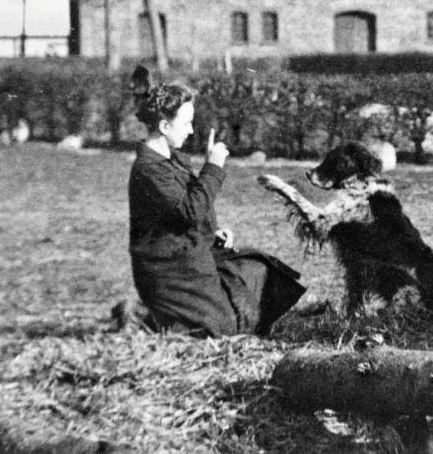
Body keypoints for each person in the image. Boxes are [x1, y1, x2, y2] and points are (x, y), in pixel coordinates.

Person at [127, 79, 305, 337]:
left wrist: (214, 233)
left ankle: (173, 315)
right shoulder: (149, 169)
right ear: (165, 126)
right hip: (168, 271)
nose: (190, 131)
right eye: (186, 123)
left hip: (188, 255)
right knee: (222, 328)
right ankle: (140, 315)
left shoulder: (170, 160)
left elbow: (182, 212)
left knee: (262, 272)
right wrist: (213, 167)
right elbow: (190, 210)